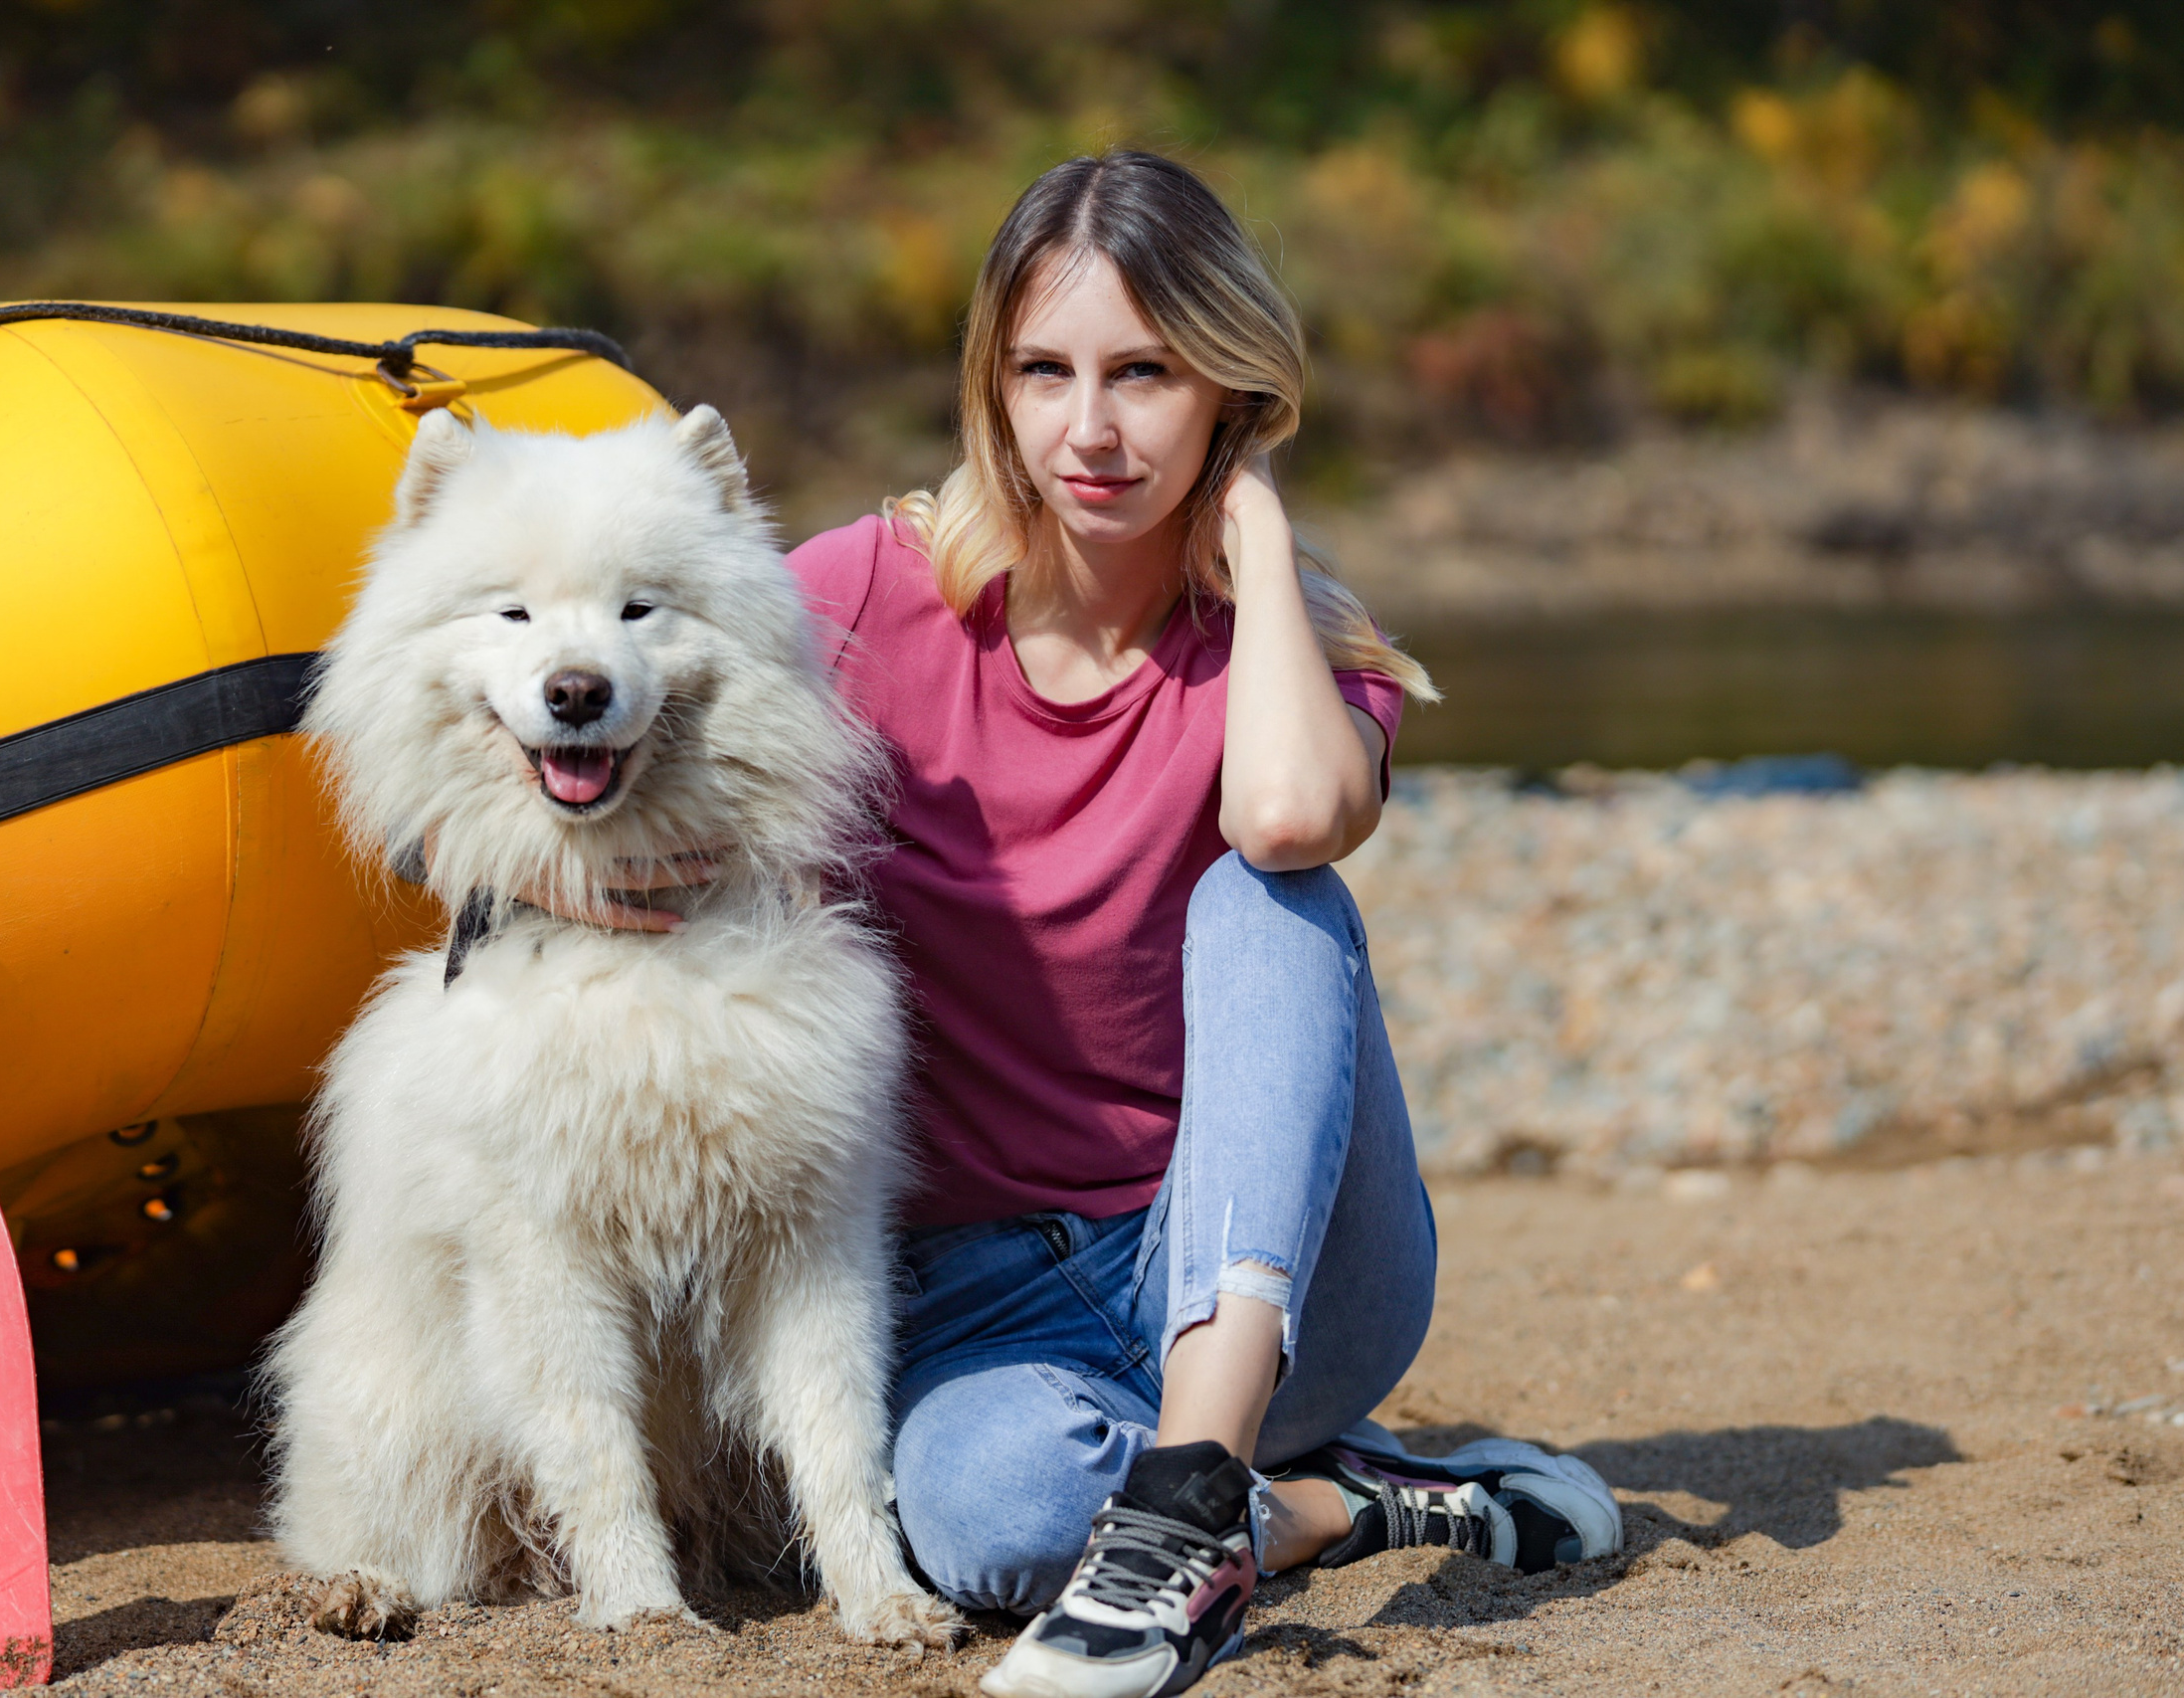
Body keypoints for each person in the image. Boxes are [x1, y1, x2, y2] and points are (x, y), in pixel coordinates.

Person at [566, 151, 1620, 1698]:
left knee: (1272, 895)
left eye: (1147, 373)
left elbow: (1289, 817)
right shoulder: (859, 595)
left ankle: (1189, 1501)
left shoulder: (1296, 646)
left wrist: (1260, 538)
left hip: (1264, 1263)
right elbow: (588, 720)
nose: (1091, 430)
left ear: (1232, 389)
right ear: (991, 387)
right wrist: (559, 881)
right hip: (973, 1302)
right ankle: (1336, 1503)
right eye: (1043, 372)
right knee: (994, 1522)